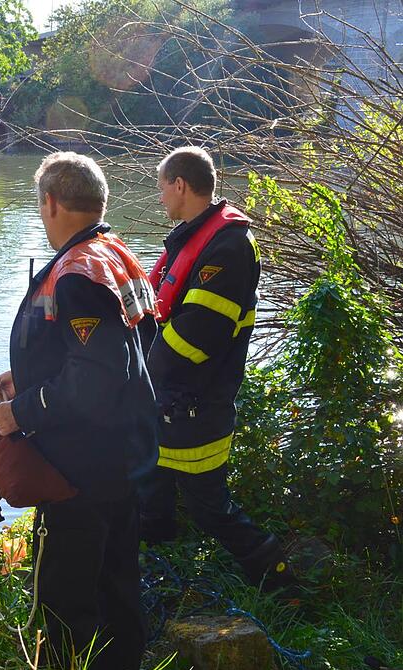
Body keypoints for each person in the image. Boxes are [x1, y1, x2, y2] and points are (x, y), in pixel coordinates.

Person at [0, 152, 158, 670]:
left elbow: (96, 380)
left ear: (51, 202)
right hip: (120, 454)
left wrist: (22, 410)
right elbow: (124, 355)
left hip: (80, 464)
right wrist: (29, 376)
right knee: (116, 578)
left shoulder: (78, 273)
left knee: (66, 590)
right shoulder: (112, 253)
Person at [139, 146, 295, 591]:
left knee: (210, 509)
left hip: (195, 408)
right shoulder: (196, 236)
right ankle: (155, 574)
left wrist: (140, 371)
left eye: (162, 187)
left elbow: (195, 338)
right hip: (168, 405)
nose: (161, 197)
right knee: (148, 494)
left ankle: (280, 581)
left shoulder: (227, 248)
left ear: (181, 185)